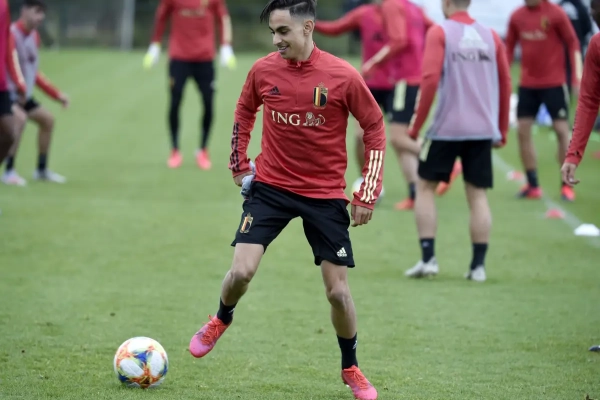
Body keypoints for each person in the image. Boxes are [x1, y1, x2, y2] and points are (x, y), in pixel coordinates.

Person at [188, 1, 385, 398]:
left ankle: (350, 367)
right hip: (271, 188)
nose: (276, 40)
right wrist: (239, 164)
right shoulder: (262, 71)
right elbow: (244, 112)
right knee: (241, 272)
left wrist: (368, 191)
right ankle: (221, 318)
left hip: (324, 194)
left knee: (337, 292)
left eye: (283, 32)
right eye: (273, 33)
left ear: (307, 28)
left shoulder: (343, 76)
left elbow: (374, 126)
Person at [404, 0, 511, 282]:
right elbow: (505, 82)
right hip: (482, 129)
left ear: (447, 3)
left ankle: (428, 259)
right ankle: (478, 267)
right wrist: (501, 129)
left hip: (446, 128)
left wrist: (416, 126)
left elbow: (429, 80)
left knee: (425, 186)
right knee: (477, 194)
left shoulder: (440, 32)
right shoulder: (491, 35)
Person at [315, 1, 449, 211]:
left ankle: (438, 163)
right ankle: (371, 179)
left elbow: (405, 39)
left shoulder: (401, 9)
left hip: (397, 84)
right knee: (363, 136)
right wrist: (310, 24)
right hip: (371, 85)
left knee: (399, 138)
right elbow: (336, 28)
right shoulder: (365, 13)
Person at [144, 0, 236, 170]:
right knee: (175, 102)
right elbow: (161, 16)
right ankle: (175, 150)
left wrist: (226, 46)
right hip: (179, 57)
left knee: (208, 103)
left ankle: (203, 150)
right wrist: (155, 44)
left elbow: (223, 18)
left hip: (205, 58)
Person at [506, 0, 581, 202]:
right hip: (527, 84)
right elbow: (509, 48)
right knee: (522, 130)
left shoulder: (556, 13)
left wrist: (577, 77)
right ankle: (532, 185)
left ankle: (567, 185)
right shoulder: (516, 16)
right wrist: (504, 77)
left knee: (561, 131)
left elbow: (573, 43)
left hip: (554, 84)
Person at [2, 0, 69, 186]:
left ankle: (41, 170)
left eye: (43, 12)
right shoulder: (11, 34)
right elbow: (10, 64)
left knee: (47, 120)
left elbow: (34, 73)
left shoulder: (34, 36)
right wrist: (19, 86)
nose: (41, 17)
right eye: (37, 11)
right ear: (24, 10)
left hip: (24, 95)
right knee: (19, 120)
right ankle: (9, 171)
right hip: (9, 94)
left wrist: (57, 95)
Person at [561, 0, 600, 186]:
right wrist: (573, 155)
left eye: (595, 10)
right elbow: (588, 101)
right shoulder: (597, 45)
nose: (592, 14)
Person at [559, 0, 592, 96]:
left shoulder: (561, 6)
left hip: (574, 45)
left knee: (574, 69)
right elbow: (587, 26)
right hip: (566, 46)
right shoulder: (579, 6)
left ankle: (574, 91)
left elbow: (587, 25)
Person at [0, 0, 15, 169]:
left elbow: (7, 43)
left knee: (9, 134)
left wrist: (17, 81)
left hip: (1, 83)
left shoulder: (4, 4)